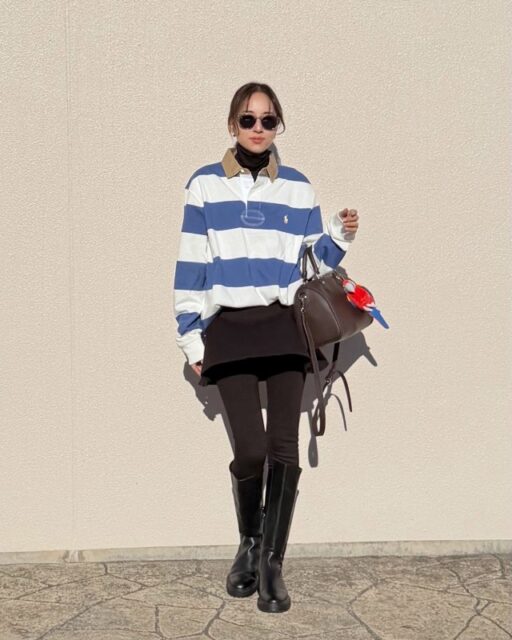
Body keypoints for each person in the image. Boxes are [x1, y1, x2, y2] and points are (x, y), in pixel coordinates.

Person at [173, 82, 360, 613]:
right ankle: (249, 545)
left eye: (268, 120)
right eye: (248, 119)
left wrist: (340, 234)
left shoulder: (297, 187)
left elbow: (314, 260)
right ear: (232, 125)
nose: (258, 129)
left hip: (282, 326)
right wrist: (190, 336)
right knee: (250, 451)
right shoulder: (204, 185)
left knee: (283, 447)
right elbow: (191, 262)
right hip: (229, 328)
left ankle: (273, 564)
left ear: (279, 126)